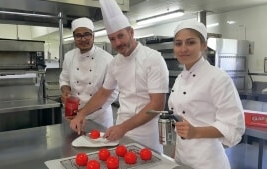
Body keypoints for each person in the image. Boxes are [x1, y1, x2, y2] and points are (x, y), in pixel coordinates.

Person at [69, 0, 169, 153]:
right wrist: (81, 114)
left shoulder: (153, 59)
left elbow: (157, 105)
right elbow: (103, 93)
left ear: (131, 32)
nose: (117, 43)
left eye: (121, 36)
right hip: (121, 132)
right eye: (112, 39)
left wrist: (123, 127)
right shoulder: (115, 63)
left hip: (147, 134)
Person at [168, 20, 245, 169]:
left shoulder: (218, 78)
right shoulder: (179, 79)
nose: (183, 48)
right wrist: (175, 154)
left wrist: (196, 131)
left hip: (208, 161)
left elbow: (234, 126)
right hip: (181, 158)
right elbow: (181, 121)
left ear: (203, 45)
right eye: (178, 44)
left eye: (190, 42)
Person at [59, 17, 118, 128]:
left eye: (87, 34)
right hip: (74, 115)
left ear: (93, 36)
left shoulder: (107, 59)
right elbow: (64, 79)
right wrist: (66, 92)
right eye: (78, 35)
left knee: (100, 144)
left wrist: (84, 112)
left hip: (100, 118)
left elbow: (112, 93)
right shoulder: (69, 56)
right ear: (74, 38)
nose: (83, 39)